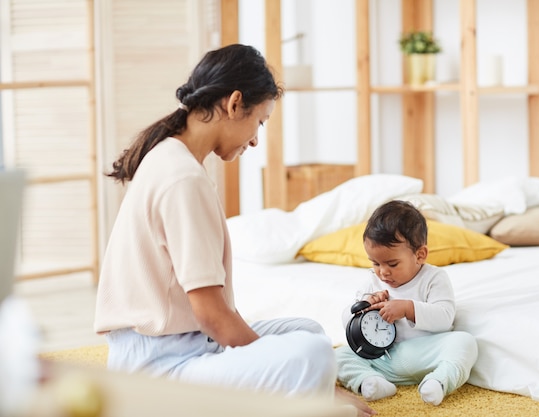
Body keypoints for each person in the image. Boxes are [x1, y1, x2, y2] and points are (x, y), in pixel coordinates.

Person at [94, 44, 374, 416]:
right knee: (313, 354)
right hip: (161, 369)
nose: (256, 139)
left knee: (306, 331)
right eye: (259, 121)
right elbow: (212, 315)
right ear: (234, 103)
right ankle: (316, 401)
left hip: (180, 346)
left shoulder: (170, 156)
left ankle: (307, 394)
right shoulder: (182, 178)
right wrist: (297, 376)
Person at [335, 200, 478, 405]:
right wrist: (364, 304)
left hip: (426, 353)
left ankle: (438, 381)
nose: (383, 272)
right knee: (338, 355)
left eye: (392, 264)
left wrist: (408, 308)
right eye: (375, 263)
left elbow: (445, 318)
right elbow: (347, 323)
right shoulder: (372, 281)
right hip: (384, 358)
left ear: (420, 255)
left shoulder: (434, 278)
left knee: (465, 343)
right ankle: (371, 382)